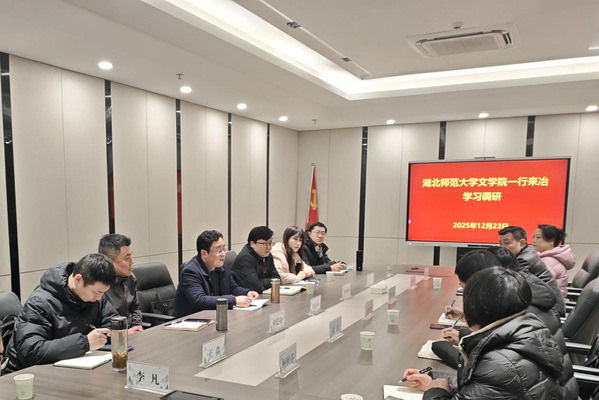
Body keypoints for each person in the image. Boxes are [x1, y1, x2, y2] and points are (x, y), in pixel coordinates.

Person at [404, 267, 576, 400]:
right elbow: (490, 389)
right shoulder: (527, 329)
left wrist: (435, 392)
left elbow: (495, 380)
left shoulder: (500, 362)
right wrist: (434, 380)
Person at [5, 253, 119, 373]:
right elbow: (30, 351)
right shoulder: (40, 303)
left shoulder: (94, 298)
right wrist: (85, 343)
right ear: (78, 280)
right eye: (96, 292)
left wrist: (111, 334)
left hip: (71, 368)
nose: (99, 298)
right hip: (26, 374)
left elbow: (112, 321)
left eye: (103, 293)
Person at [175, 230, 260, 317]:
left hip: (215, 316)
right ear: (204, 253)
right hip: (194, 319)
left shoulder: (221, 266)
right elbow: (200, 300)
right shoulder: (190, 272)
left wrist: (247, 292)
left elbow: (232, 288)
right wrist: (234, 300)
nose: (223, 254)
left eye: (224, 249)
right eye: (219, 250)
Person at [498, 225, 565, 315]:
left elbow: (511, 287)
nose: (502, 247)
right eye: (500, 244)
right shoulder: (527, 253)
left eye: (507, 243)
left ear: (522, 243)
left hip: (549, 311)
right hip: (545, 307)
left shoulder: (523, 260)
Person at [98, 233, 144, 333]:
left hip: (131, 333)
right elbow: (100, 323)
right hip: (113, 336)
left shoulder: (131, 278)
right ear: (109, 262)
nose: (132, 261)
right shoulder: (98, 286)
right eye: (127, 258)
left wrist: (137, 326)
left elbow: (136, 308)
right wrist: (123, 332)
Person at [230, 226, 280, 293]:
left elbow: (277, 279)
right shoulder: (245, 259)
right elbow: (256, 288)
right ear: (252, 244)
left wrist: (260, 281)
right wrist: (269, 281)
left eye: (270, 243)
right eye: (264, 244)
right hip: (242, 296)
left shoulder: (267, 255)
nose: (268, 247)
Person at [533, 224, 576, 299]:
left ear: (551, 241)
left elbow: (539, 287)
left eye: (538, 237)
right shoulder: (549, 258)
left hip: (549, 303)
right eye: (533, 237)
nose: (534, 241)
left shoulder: (549, 262)